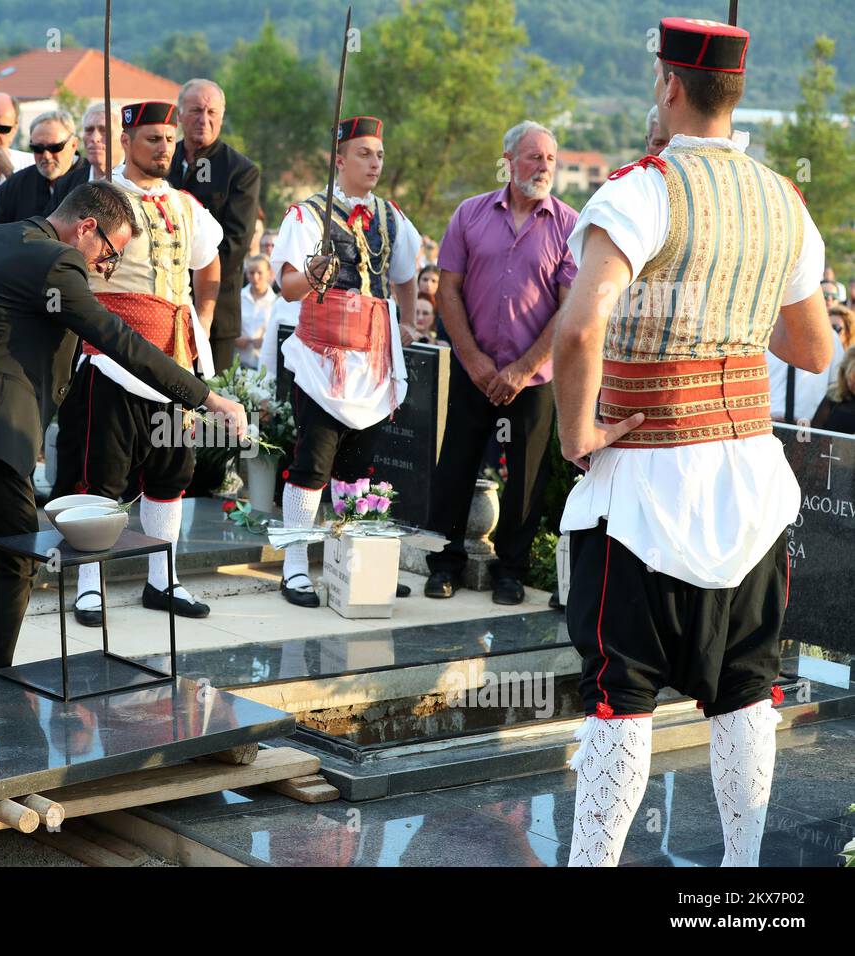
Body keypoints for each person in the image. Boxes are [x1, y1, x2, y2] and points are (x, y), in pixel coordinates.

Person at [553, 17, 829, 867]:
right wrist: (731, 320)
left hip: (644, 485)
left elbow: (576, 334)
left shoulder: (643, 188)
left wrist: (577, 433)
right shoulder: (785, 199)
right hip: (749, 482)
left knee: (621, 697)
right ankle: (740, 880)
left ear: (669, 84)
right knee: (746, 690)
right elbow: (815, 348)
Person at [0, 182, 248, 694]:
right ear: (85, 228)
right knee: (16, 559)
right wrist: (207, 399)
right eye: (109, 253)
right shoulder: (58, 263)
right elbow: (118, 339)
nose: (106, 267)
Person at [52, 100, 222, 627]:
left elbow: (211, 262)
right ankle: (88, 584)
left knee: (171, 474)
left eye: (170, 139)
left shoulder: (187, 205)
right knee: (98, 479)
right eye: (152, 138)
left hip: (174, 361)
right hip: (112, 359)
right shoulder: (101, 199)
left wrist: (204, 322)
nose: (165, 148)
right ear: (126, 141)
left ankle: (161, 579)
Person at [269, 115, 421, 608]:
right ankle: (294, 566)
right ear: (339, 159)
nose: (374, 162)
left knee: (358, 466)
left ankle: (356, 559)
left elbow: (405, 272)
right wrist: (312, 274)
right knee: (312, 464)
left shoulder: (393, 216)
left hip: (372, 363)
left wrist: (407, 319)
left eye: (379, 154)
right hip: (323, 360)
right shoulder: (308, 215)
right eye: (363, 153)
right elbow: (286, 285)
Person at [426, 120, 577, 606]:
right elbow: (447, 289)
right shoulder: (470, 214)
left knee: (526, 478)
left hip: (532, 380)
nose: (544, 167)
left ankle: (510, 571)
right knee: (455, 466)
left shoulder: (569, 225)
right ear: (509, 160)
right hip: (475, 372)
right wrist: (473, 360)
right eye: (534, 157)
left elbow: (568, 306)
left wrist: (520, 369)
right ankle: (444, 563)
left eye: (551, 158)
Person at [169, 79, 261, 372]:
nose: (204, 119)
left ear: (222, 116)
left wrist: (181, 273)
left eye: (212, 112)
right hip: (159, 303)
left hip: (215, 311)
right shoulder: (160, 160)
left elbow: (235, 244)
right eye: (196, 110)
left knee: (208, 409)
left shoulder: (241, 171)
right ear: (179, 114)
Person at [0, 110, 90, 224]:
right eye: (38, 149)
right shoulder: (14, 186)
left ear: (74, 144)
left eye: (55, 147)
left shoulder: (93, 181)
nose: (46, 156)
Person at [237, 254, 277, 370]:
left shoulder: (275, 302)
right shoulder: (239, 297)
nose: (255, 277)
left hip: (262, 365)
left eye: (259, 273)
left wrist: (266, 340)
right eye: (251, 273)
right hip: (238, 362)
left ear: (269, 273)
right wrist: (235, 338)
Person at [812, 346, 855, 434]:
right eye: (851, 380)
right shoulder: (833, 395)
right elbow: (815, 433)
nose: (854, 386)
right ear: (843, 375)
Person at [81, 101, 123, 181]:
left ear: (124, 139)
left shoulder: (139, 182)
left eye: (104, 131)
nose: (94, 138)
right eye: (89, 130)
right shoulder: (66, 184)